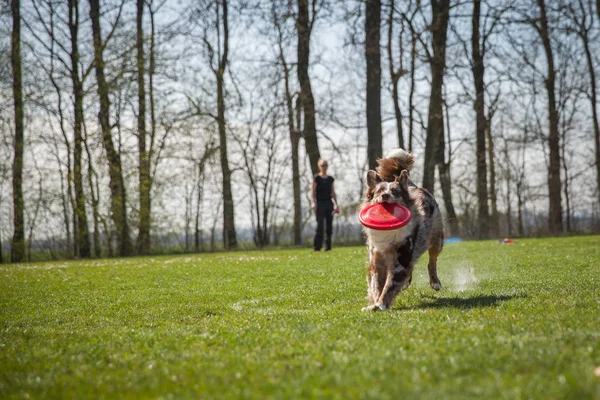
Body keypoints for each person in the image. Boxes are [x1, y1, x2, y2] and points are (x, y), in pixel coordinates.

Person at [311, 159, 339, 252]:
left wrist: (336, 204)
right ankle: (317, 247)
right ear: (319, 166)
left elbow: (333, 192)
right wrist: (313, 202)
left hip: (329, 203)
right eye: (323, 165)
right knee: (320, 226)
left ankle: (328, 247)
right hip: (320, 203)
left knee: (329, 226)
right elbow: (312, 192)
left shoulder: (330, 179)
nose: (324, 167)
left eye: (326, 165)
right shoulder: (316, 178)